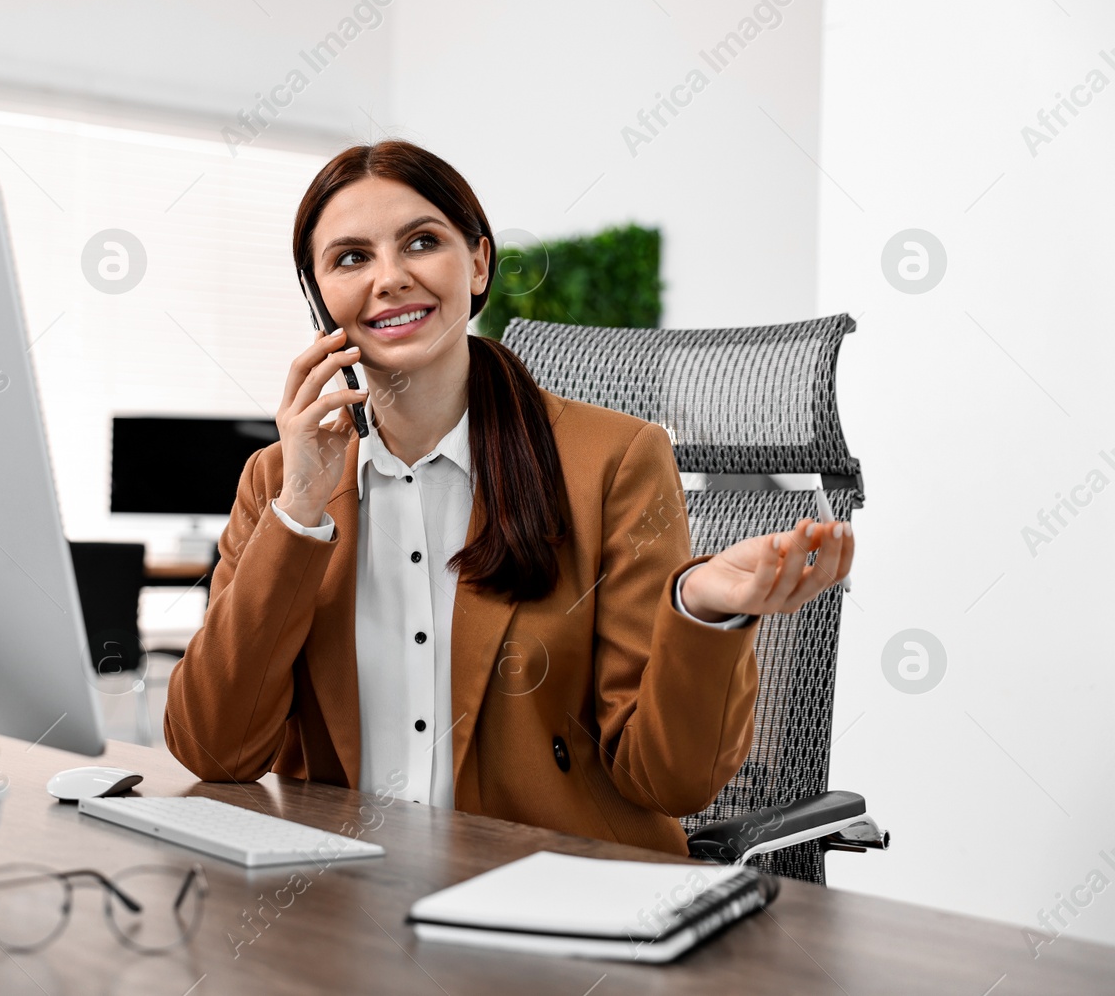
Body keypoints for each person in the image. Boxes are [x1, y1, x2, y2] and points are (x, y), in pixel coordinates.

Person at [162, 141, 854, 855]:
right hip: (343, 908)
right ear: (318, 295)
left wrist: (702, 611)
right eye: (350, 258)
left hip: (548, 908)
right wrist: (299, 508)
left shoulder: (616, 461)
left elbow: (670, 782)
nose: (391, 278)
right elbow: (215, 750)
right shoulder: (277, 482)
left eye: (422, 242)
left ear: (479, 263)